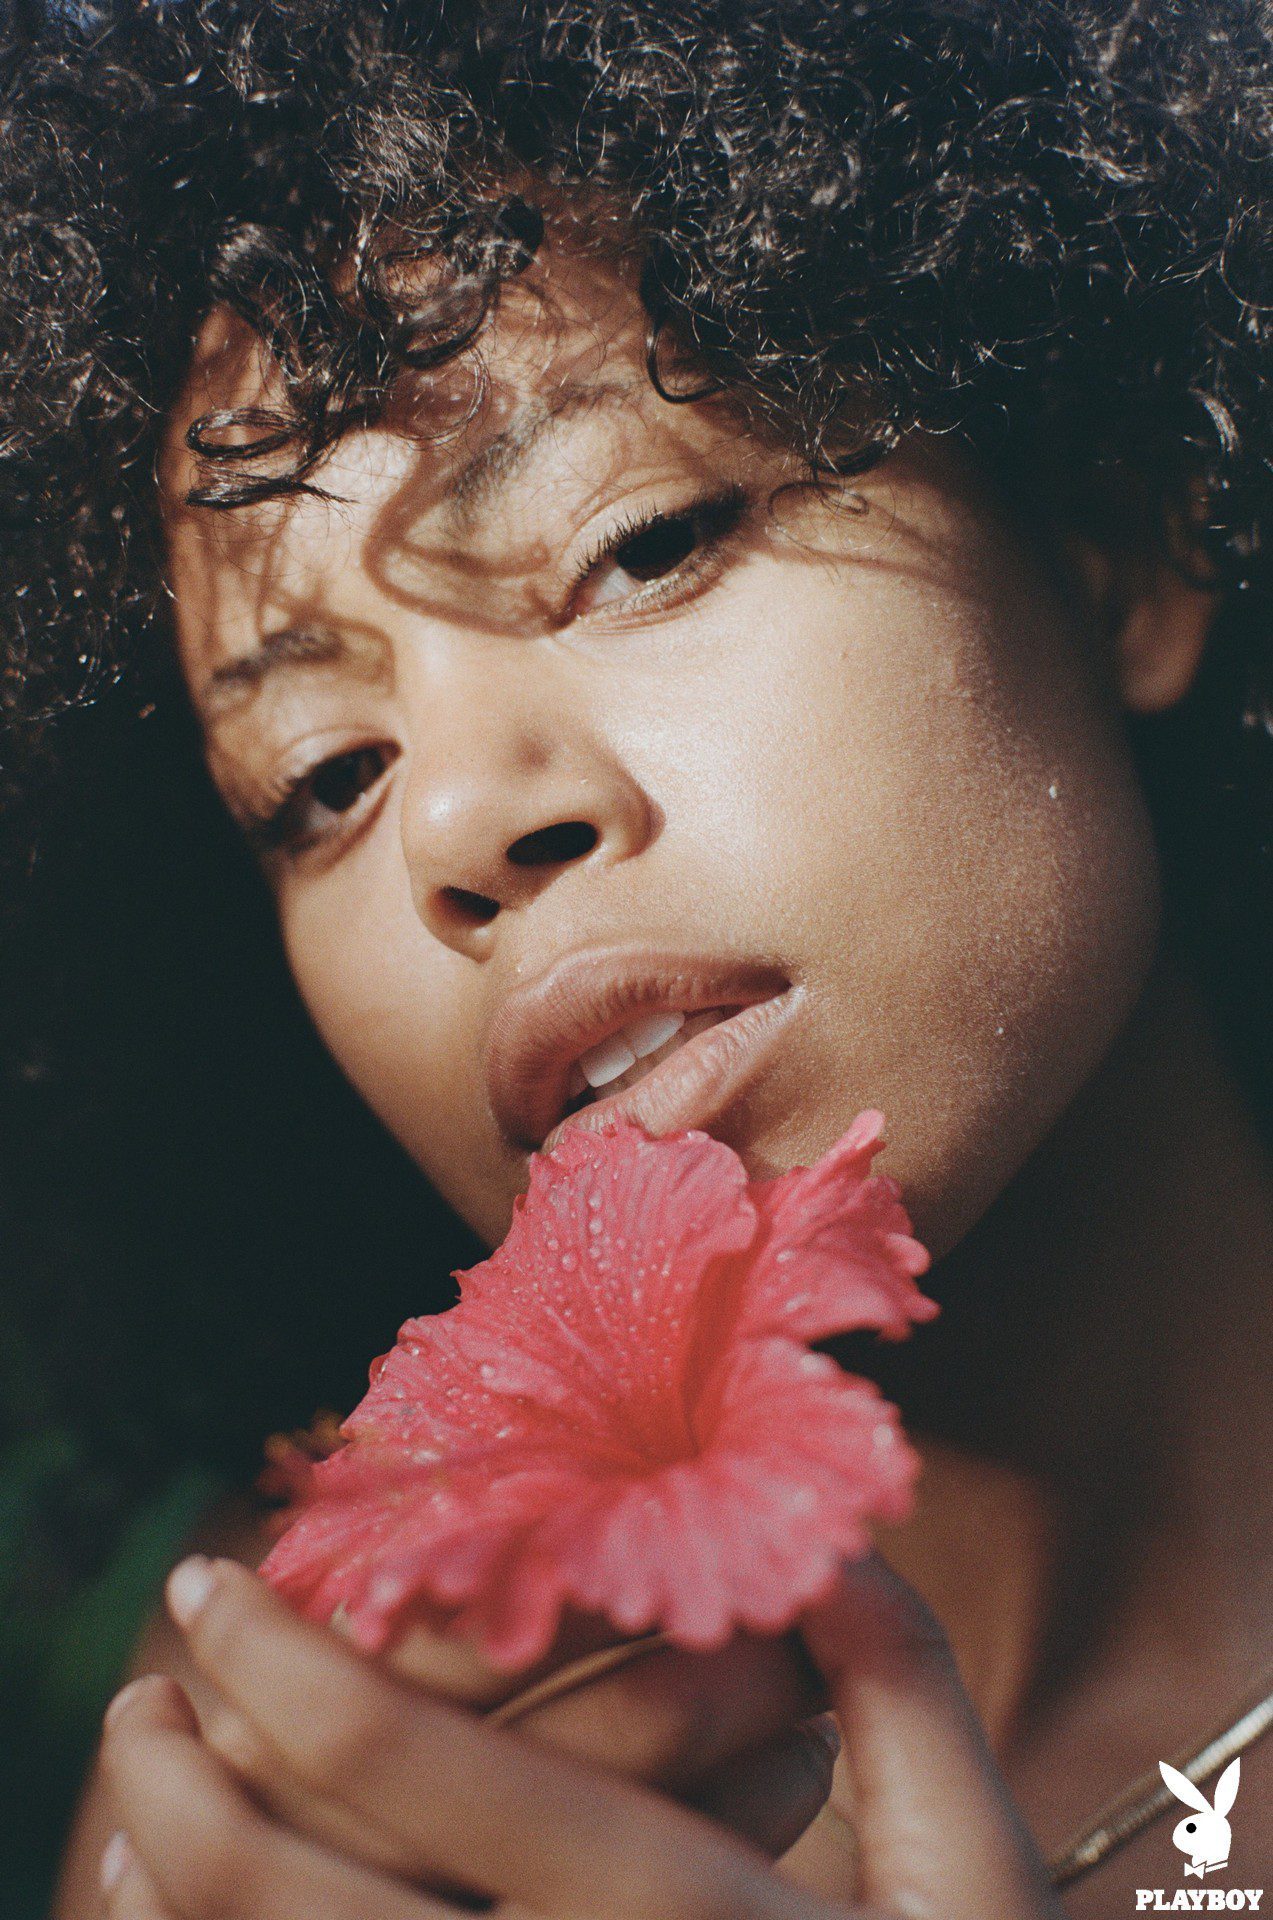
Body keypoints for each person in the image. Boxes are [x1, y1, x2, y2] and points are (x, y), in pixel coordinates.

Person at [0, 1, 1268, 1915]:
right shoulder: (281, 1794)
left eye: (645, 543)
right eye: (324, 779)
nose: (452, 824)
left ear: (1109, 539)